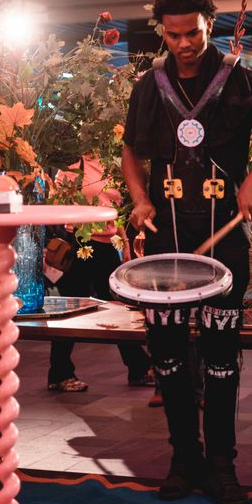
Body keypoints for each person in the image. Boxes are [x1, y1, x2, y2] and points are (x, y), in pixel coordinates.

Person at [122, 0, 252, 504]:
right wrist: (140, 199)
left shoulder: (239, 79)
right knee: (167, 355)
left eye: (193, 32)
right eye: (174, 35)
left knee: (221, 357)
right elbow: (130, 150)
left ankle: (221, 465)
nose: (184, 44)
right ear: (162, 33)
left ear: (209, 25)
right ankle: (183, 458)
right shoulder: (151, 84)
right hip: (167, 240)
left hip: (224, 242)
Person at [45, 156, 153, 393]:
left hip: (106, 245)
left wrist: (124, 241)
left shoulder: (110, 163)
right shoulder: (72, 167)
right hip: (80, 244)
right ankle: (60, 373)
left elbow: (116, 209)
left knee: (118, 308)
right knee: (72, 309)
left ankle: (138, 367)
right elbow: (57, 204)